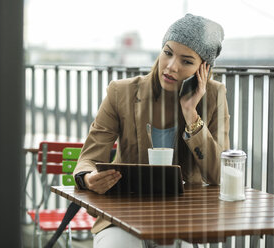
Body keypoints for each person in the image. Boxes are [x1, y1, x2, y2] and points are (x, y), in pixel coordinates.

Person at [73, 13, 230, 248]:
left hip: (184, 221)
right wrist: (88, 178)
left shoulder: (214, 96)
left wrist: (191, 113)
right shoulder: (121, 92)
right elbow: (89, 157)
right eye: (168, 53)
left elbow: (218, 175)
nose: (171, 66)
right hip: (123, 218)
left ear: (203, 69)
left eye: (186, 61)